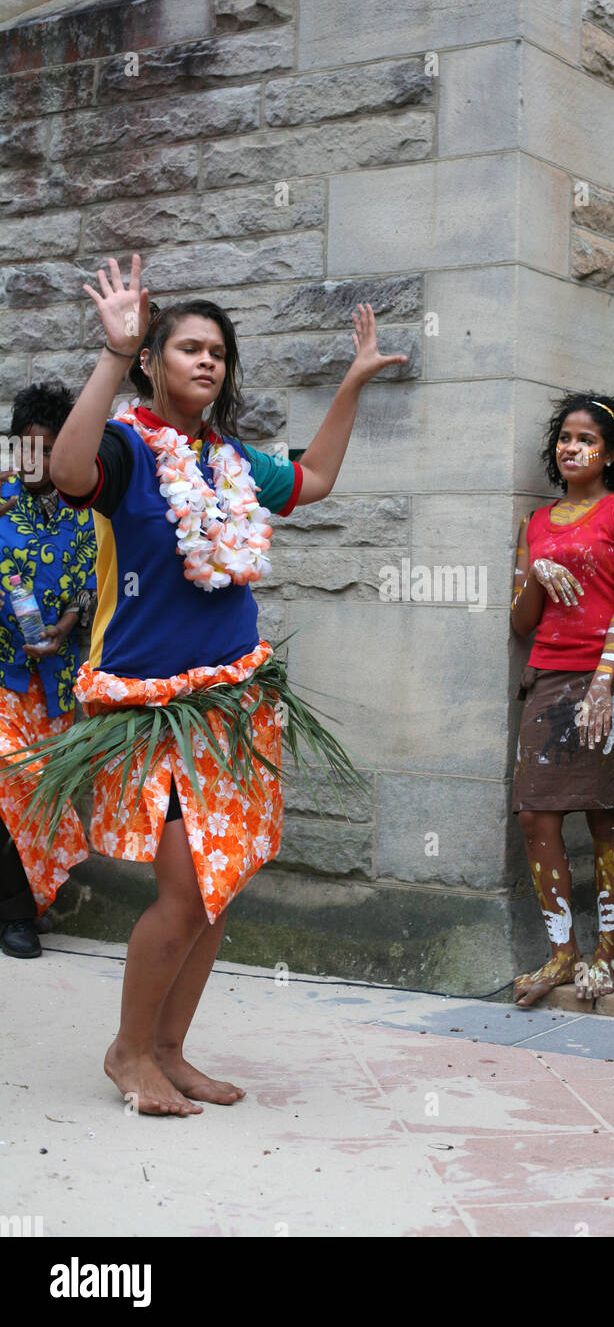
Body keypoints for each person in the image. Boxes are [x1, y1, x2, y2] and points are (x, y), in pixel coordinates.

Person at [42, 254, 407, 1115]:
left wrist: (351, 382)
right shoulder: (130, 452)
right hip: (152, 707)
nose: (206, 361)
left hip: (232, 705)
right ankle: (127, 1051)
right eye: (187, 349)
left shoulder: (234, 463)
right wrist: (110, 354)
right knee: (181, 888)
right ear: (153, 362)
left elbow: (313, 481)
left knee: (214, 891)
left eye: (218, 352)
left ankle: (170, 1051)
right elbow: (65, 471)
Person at [511, 393, 614, 1006]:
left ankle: (607, 957)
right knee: (536, 813)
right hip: (550, 675)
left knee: (606, 813)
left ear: (610, 453)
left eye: (586, 440)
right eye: (564, 437)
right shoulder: (537, 522)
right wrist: (534, 576)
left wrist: (604, 681)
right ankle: (562, 954)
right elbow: (520, 623)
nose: (572, 447)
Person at [0, 383, 96, 959]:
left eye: (50, 449)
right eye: (26, 449)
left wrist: (65, 622)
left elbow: (91, 579)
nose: (36, 462)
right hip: (1, 672)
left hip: (54, 682)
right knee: (11, 775)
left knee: (37, 798)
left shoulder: (87, 512)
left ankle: (23, 909)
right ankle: (16, 915)